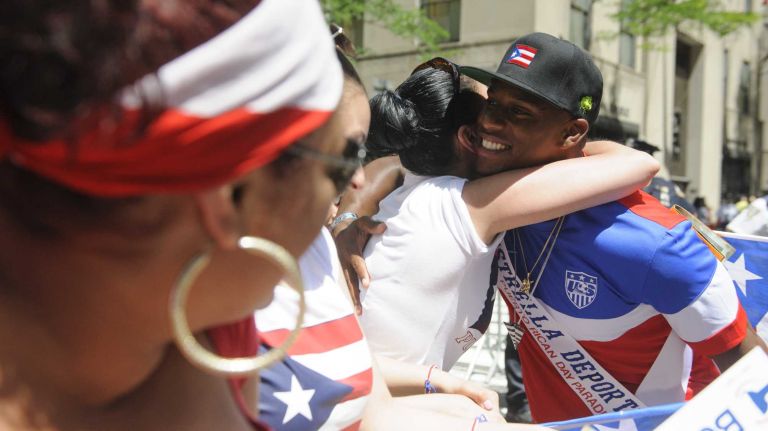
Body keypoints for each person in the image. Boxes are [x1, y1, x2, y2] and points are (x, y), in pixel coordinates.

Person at [0, 0, 352, 430]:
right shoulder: (210, 326)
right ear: (235, 195)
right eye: (338, 166)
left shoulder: (219, 328)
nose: (339, 195)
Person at [213, 26, 550, 431]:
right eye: (345, 152)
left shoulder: (317, 250)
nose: (355, 179)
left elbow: (369, 403)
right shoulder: (449, 203)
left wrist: (446, 392)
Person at [457, 32, 766, 422]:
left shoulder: (655, 242)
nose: (489, 121)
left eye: (518, 112)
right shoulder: (489, 192)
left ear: (572, 133)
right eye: (493, 103)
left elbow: (753, 373)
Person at [348, 57, 658, 373]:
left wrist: (344, 218)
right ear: (471, 138)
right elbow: (639, 165)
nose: (502, 124)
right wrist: (551, 141)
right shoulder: (468, 204)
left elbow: (390, 167)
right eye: (492, 110)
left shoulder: (418, 195)